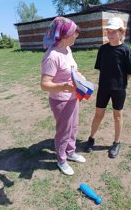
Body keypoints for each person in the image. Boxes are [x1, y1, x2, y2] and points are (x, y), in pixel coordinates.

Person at [85, 17, 131, 158]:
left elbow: (129, 73)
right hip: (103, 88)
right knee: (98, 114)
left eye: (113, 31)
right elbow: (101, 69)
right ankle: (91, 138)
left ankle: (116, 142)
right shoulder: (103, 49)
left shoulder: (126, 50)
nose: (110, 34)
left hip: (119, 89)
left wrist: (120, 84)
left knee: (117, 116)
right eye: (108, 31)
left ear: (121, 32)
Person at [41, 16, 86, 176]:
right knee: (64, 131)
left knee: (73, 127)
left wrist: (80, 77)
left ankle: (71, 152)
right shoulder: (52, 56)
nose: (77, 35)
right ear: (64, 35)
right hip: (60, 100)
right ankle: (61, 160)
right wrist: (64, 86)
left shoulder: (67, 49)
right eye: (74, 33)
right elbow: (44, 84)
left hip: (74, 96)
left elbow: (72, 70)